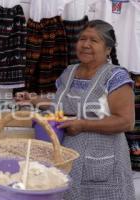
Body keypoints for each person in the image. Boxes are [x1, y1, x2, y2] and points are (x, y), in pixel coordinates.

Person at [15, 20, 136, 200]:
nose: (85, 44)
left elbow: (126, 121)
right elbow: (61, 106)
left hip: (103, 161)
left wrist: (82, 125)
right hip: (70, 159)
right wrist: (33, 99)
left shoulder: (115, 76)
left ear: (108, 49)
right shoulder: (69, 72)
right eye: (82, 39)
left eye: (94, 41)